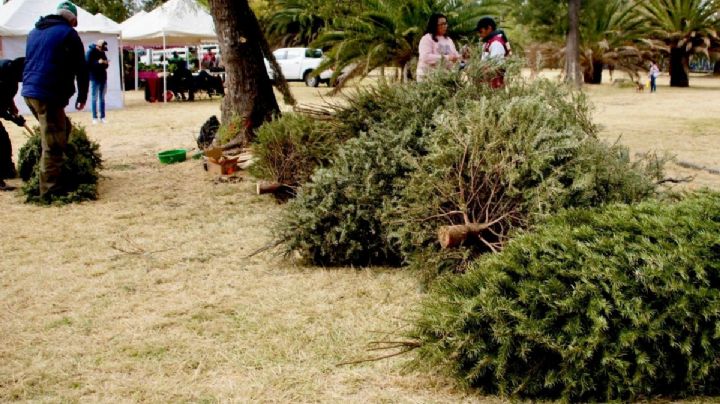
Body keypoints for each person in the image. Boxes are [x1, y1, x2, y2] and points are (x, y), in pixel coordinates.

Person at [22, 1, 88, 200]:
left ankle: (62, 170)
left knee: (63, 129)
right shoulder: (68, 34)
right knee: (53, 143)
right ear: (73, 19)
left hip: (29, 92)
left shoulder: (34, 32)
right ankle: (50, 191)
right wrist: (82, 96)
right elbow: (81, 69)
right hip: (47, 93)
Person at [0, 57, 26, 191]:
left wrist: (13, 108)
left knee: (4, 141)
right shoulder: (3, 74)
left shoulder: (11, 79)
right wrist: (13, 119)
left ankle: (7, 170)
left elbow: (7, 97)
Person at [416, 13, 460, 82]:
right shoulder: (426, 39)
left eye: (446, 23)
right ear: (434, 25)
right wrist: (447, 57)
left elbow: (454, 55)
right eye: (442, 24)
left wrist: (461, 56)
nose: (445, 26)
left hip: (445, 78)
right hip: (428, 78)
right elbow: (425, 57)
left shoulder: (449, 40)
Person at [476, 17, 509, 89]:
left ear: (489, 28)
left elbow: (497, 68)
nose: (479, 34)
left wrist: (479, 73)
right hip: (487, 85)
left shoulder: (496, 43)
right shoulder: (488, 42)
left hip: (495, 87)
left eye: (481, 31)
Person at [86, 39, 109, 124]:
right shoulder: (90, 52)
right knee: (94, 98)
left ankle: (102, 116)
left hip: (103, 77)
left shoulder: (102, 53)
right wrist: (97, 62)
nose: (103, 51)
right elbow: (87, 64)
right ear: (98, 46)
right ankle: (94, 117)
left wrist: (105, 63)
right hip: (95, 78)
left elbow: (106, 65)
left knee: (102, 98)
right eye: (102, 48)